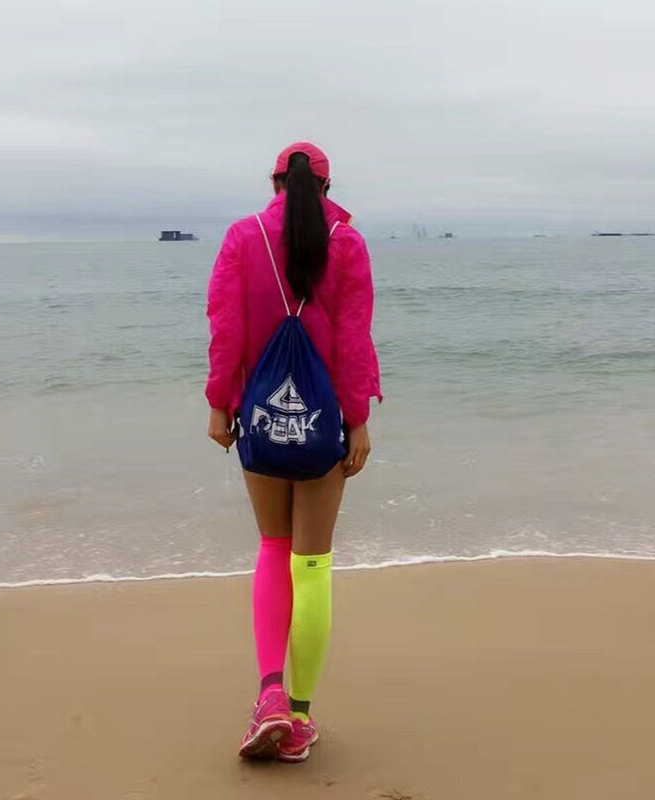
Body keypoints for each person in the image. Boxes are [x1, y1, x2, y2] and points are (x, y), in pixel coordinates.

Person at [205, 142, 382, 763]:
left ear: (275, 181)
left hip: (260, 418)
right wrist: (358, 420)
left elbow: (225, 326)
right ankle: (300, 718)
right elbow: (354, 341)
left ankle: (269, 696)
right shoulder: (347, 243)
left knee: (272, 548)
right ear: (327, 187)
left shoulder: (242, 236)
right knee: (313, 564)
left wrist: (219, 402)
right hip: (322, 422)